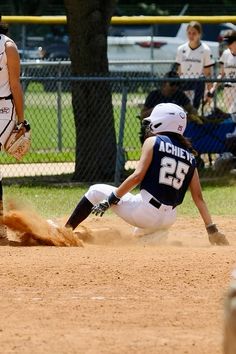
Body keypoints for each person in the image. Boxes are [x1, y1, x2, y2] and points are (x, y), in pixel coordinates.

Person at [64, 103, 228, 246]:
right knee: (138, 233)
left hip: (146, 212)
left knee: (94, 191)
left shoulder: (153, 141)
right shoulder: (190, 157)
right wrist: (212, 231)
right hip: (169, 218)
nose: (149, 126)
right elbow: (198, 198)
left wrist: (111, 199)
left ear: (163, 122)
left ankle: (65, 231)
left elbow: (137, 176)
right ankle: (154, 236)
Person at [0, 16, 29, 245]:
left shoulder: (7, 46)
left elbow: (15, 84)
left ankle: (0, 228)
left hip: (3, 108)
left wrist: (21, 121)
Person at [139, 70, 203, 143]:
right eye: (172, 84)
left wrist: (190, 116)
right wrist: (158, 109)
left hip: (174, 130)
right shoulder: (154, 95)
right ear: (164, 83)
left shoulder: (179, 94)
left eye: (177, 84)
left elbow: (191, 109)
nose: (175, 87)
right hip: (157, 129)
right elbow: (143, 115)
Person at [175, 21, 215, 110]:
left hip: (197, 84)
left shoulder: (205, 50)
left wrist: (209, 91)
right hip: (184, 83)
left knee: (194, 110)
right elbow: (179, 70)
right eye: (189, 33)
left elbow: (208, 73)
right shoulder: (181, 49)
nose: (191, 35)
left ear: (199, 34)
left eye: (194, 33)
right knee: (182, 110)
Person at [209, 30, 236, 122]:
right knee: (231, 116)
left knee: (233, 113)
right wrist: (213, 88)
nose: (228, 45)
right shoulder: (226, 53)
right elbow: (222, 74)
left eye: (230, 43)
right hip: (228, 89)